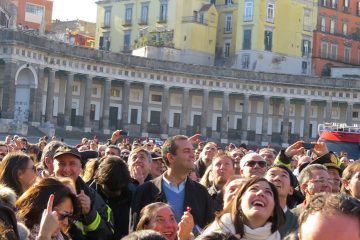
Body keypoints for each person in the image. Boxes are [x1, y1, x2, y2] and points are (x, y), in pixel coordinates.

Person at [130, 135, 214, 231]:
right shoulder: (145, 191)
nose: (193, 155)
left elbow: (209, 232)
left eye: (192, 151)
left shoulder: (201, 192)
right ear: (170, 157)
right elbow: (135, 233)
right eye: (186, 151)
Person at [52, 145, 114, 240]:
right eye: (61, 163)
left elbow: (108, 235)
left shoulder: (91, 196)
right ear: (53, 165)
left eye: (72, 164)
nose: (66, 169)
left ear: (80, 167)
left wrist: (89, 213)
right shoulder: (40, 191)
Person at [199, 177, 285, 240]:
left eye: (268, 192)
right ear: (239, 204)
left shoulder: (278, 237)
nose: (260, 193)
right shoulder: (218, 230)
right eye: (254, 189)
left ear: (273, 211)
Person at [16, 177, 80, 240]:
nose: (66, 223)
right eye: (62, 215)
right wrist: (44, 235)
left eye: (69, 216)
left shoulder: (62, 237)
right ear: (41, 207)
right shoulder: (14, 232)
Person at [89, 155, 133, 239]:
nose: (118, 193)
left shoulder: (133, 193)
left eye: (121, 188)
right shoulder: (89, 196)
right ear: (100, 181)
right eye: (112, 189)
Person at [265, 165, 298, 238]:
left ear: (291, 190)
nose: (277, 178)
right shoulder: (249, 217)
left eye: (283, 175)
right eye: (272, 174)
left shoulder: (299, 222)